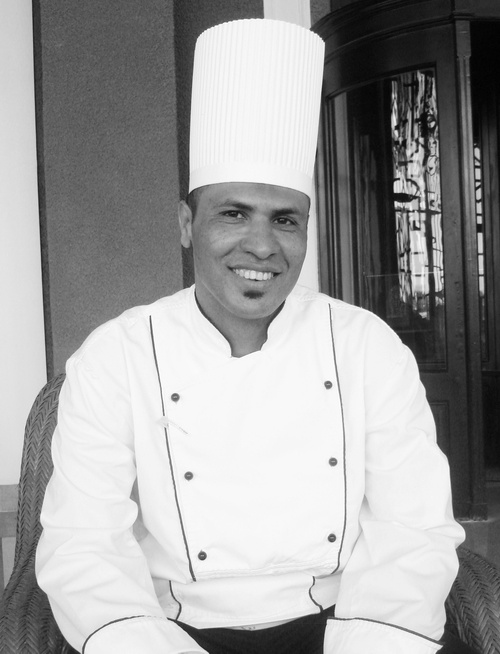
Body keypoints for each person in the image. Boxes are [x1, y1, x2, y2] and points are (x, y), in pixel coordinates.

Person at [36, 18, 469, 654]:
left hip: (347, 623)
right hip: (173, 632)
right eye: (233, 213)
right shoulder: (115, 357)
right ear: (187, 223)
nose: (262, 246)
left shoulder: (367, 347)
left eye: (285, 220)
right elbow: (83, 543)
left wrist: (374, 641)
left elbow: (413, 526)